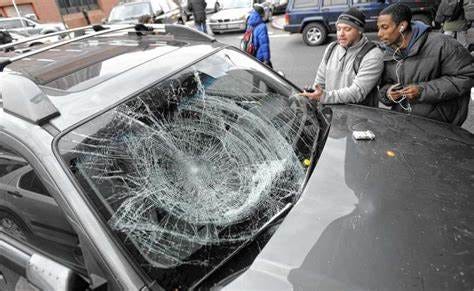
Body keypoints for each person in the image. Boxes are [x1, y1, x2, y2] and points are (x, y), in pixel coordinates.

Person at [377, 3, 474, 126]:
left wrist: (422, 91)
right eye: (378, 28)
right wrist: (388, 93)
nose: (379, 33)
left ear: (402, 26)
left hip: (439, 125)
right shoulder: (389, 53)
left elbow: (467, 76)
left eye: (384, 27)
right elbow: (383, 86)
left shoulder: (443, 44)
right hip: (403, 123)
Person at [301, 8, 383, 106]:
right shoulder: (331, 48)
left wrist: (325, 97)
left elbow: (357, 92)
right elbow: (320, 82)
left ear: (360, 30)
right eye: (338, 29)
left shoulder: (373, 55)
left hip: (360, 118)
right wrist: (314, 92)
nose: (341, 34)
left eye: (347, 29)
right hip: (331, 116)